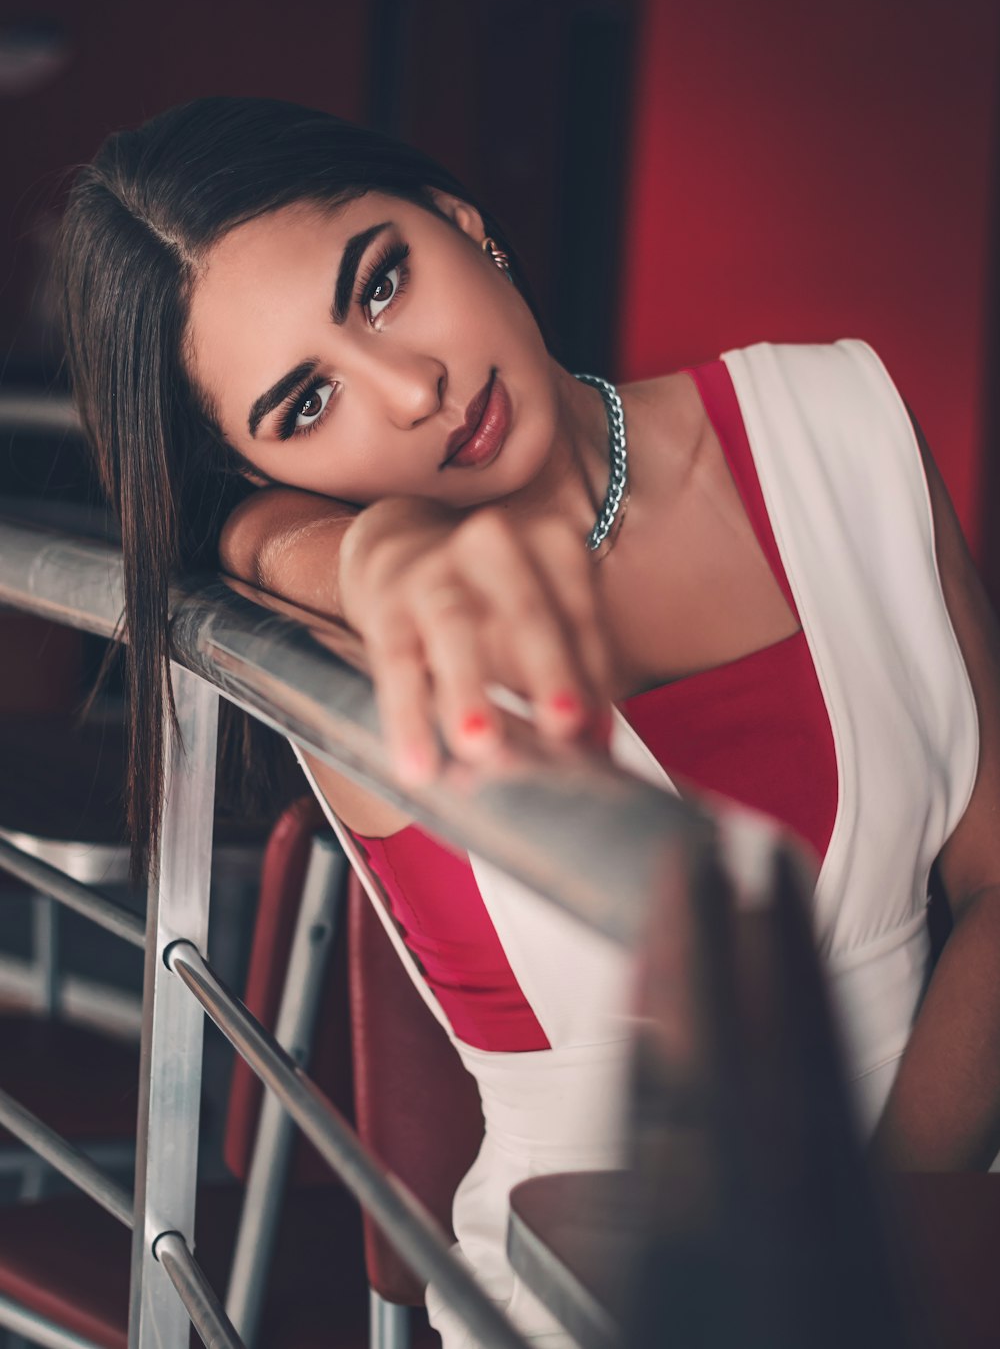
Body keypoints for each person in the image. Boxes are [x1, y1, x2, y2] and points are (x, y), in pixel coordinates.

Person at [58, 97, 1000, 1347]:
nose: (411, 390)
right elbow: (211, 547)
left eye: (383, 283)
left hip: (942, 1241)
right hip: (571, 1308)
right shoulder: (352, 633)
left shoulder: (841, 424)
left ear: (462, 221)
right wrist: (350, 553)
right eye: (305, 405)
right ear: (265, 475)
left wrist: (870, 1247)